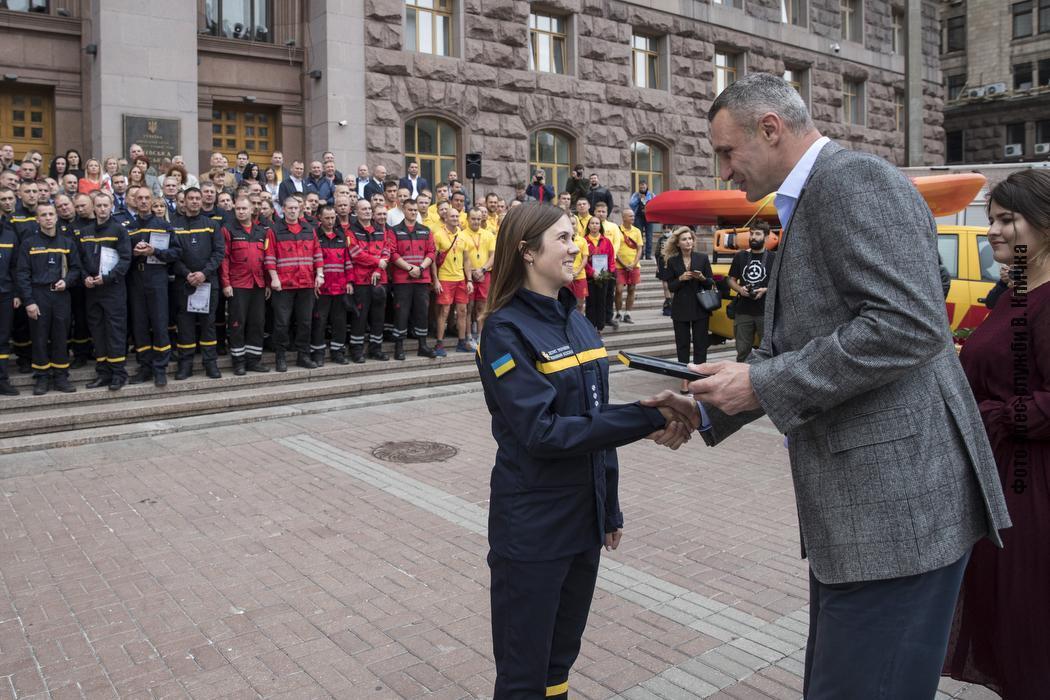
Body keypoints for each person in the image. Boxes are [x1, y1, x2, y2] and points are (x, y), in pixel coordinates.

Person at [643, 73, 1011, 699]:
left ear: (771, 128)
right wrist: (709, 408)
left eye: (727, 153)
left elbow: (908, 326)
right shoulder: (814, 196)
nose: (724, 172)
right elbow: (794, 346)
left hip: (898, 516)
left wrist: (763, 384)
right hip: (872, 518)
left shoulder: (851, 182)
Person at [476, 202, 694, 699]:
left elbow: (595, 419)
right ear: (527, 251)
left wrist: (608, 507)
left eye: (574, 236)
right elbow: (544, 432)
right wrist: (648, 415)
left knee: (559, 662)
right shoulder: (504, 331)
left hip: (582, 520)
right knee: (524, 670)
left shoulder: (575, 320)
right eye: (563, 238)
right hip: (533, 526)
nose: (576, 247)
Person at [942, 169, 1050, 699]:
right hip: (998, 480)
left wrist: (995, 416)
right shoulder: (1013, 292)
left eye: (1008, 219)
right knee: (1005, 626)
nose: (994, 231)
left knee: (1029, 630)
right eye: (992, 220)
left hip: (1033, 493)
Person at [16, 202, 82, 396]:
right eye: (43, 215)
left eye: (50, 214)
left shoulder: (67, 242)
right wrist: (29, 301)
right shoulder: (29, 243)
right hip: (38, 295)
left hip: (61, 295)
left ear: (56, 217)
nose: (47, 218)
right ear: (37, 219)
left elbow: (76, 268)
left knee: (61, 335)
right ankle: (42, 377)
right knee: (39, 337)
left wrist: (67, 281)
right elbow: (22, 274)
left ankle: (61, 376)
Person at [125, 186, 181, 387]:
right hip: (136, 278)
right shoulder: (128, 226)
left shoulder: (163, 225)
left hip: (157, 277)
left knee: (159, 323)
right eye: (139, 198)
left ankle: (160, 368)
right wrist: (133, 253)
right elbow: (121, 257)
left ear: (152, 201)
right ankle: (145, 367)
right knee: (139, 324)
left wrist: (154, 251)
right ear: (132, 201)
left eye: (146, 198)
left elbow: (176, 252)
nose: (142, 201)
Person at [78, 192, 132, 391]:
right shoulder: (85, 232)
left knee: (115, 331)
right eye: (98, 205)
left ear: (111, 207)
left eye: (105, 205)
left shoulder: (119, 230)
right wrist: (85, 276)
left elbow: (126, 260)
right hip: (92, 290)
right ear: (93, 207)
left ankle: (119, 373)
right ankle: (103, 373)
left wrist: (107, 278)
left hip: (113, 289)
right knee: (98, 331)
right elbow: (80, 260)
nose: (102, 209)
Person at [171, 187, 225, 380]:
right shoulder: (175, 225)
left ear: (202, 201)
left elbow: (219, 253)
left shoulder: (211, 225)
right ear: (184, 201)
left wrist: (203, 273)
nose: (194, 201)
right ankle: (185, 365)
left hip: (208, 283)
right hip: (184, 284)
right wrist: (187, 274)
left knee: (208, 324)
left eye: (197, 198)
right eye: (190, 198)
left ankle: (210, 363)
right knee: (185, 325)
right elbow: (173, 256)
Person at [265, 196, 322, 372]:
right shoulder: (274, 230)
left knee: (305, 322)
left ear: (300, 209)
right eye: (289, 208)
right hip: (284, 284)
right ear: (283, 209)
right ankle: (280, 357)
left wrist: (320, 274)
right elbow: (269, 257)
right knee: (282, 323)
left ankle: (303, 356)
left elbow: (317, 253)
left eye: (295, 208)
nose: (292, 211)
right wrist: (274, 278)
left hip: (306, 283)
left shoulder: (309, 229)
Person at [659, 226, 714, 392]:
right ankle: (684, 377)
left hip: (700, 307)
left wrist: (702, 277)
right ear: (678, 243)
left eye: (690, 239)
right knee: (682, 345)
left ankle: (698, 377)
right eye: (684, 239)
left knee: (700, 344)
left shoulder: (702, 258)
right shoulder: (672, 261)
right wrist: (681, 278)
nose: (688, 241)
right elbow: (671, 286)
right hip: (681, 308)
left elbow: (710, 282)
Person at [221, 196, 271, 375]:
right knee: (237, 323)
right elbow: (224, 258)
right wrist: (226, 283)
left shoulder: (261, 231)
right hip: (238, 284)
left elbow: (266, 259)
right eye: (238, 209)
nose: (241, 212)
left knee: (257, 323)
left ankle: (254, 360)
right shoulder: (228, 229)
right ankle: (239, 361)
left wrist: (267, 283)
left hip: (258, 284)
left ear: (252, 210)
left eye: (244, 208)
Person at [389, 197, 437, 360]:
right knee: (401, 312)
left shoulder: (425, 230)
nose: (414, 212)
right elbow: (393, 253)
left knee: (422, 312)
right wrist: (409, 268)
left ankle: (422, 346)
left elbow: (431, 252)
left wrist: (421, 268)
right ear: (404, 210)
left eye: (416, 210)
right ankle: (399, 347)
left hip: (422, 278)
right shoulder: (394, 230)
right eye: (410, 210)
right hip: (402, 279)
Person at [346, 198, 391, 363]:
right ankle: (356, 350)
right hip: (361, 281)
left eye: (368, 209)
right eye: (363, 209)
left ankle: (375, 349)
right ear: (356, 212)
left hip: (379, 279)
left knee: (378, 316)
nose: (367, 211)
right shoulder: (351, 231)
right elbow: (356, 254)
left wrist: (379, 269)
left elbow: (387, 250)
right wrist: (377, 262)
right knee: (360, 316)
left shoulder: (380, 229)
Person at [310, 204, 353, 366]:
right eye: (326, 218)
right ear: (319, 218)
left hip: (340, 286)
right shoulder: (314, 235)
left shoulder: (341, 235)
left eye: (332, 218)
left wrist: (349, 281)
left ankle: (338, 352)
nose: (330, 221)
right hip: (321, 288)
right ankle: (318, 353)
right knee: (319, 321)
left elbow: (347, 260)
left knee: (340, 321)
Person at [727, 221, 774, 362]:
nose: (753, 237)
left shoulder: (774, 258)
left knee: (767, 352)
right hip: (743, 311)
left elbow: (780, 283)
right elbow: (730, 280)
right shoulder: (740, 256)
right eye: (752, 233)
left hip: (765, 312)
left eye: (758, 234)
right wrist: (740, 290)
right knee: (742, 352)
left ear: (766, 237)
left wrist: (765, 290)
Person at [433, 205, 474, 356]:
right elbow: (433, 260)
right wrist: (435, 280)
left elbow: (467, 260)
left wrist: (469, 280)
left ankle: (462, 342)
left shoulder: (463, 235)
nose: (455, 219)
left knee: (463, 310)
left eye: (457, 216)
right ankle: (439, 344)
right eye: (452, 216)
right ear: (445, 218)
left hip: (460, 278)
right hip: (445, 278)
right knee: (444, 311)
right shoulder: (438, 235)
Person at [464, 207, 496, 346]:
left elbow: (493, 255)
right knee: (468, 307)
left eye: (478, 219)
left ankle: (481, 336)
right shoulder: (461, 235)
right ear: (467, 219)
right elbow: (463, 258)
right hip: (467, 275)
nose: (476, 221)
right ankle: (468, 335)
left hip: (484, 274)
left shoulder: (488, 234)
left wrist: (482, 269)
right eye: (473, 219)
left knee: (482, 307)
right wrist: (472, 273)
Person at [0, 200, 20, 395]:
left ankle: (2, 379)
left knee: (3, 337)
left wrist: (16, 293)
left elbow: (15, 267)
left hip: (5, 293)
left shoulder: (9, 234)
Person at [582, 215, 615, 332]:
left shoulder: (606, 241)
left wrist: (608, 272)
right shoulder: (584, 241)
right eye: (592, 223)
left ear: (600, 226)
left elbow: (611, 259)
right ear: (588, 226)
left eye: (597, 223)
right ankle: (590, 327)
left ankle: (600, 328)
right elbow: (582, 260)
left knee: (602, 301)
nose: (595, 225)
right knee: (590, 302)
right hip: (589, 277)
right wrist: (592, 272)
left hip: (603, 277)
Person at [614, 208, 643, 324]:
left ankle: (628, 313)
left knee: (632, 289)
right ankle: (618, 312)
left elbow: (640, 249)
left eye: (633, 216)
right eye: (630, 216)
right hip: (619, 266)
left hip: (634, 266)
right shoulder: (617, 230)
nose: (633, 218)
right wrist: (624, 264)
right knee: (619, 290)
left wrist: (634, 263)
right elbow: (614, 249)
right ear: (624, 218)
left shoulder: (637, 231)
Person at [629, 180, 655, 259]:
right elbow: (631, 204)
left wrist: (647, 199)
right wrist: (638, 198)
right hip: (638, 217)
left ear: (646, 186)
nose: (642, 187)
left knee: (649, 236)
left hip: (649, 217)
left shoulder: (651, 194)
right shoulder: (636, 195)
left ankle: (648, 255)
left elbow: (655, 203)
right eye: (641, 186)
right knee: (638, 236)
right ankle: (640, 255)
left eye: (643, 185)